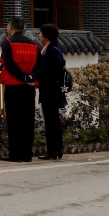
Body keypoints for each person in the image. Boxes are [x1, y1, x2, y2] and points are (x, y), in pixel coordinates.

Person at [0, 16, 39, 162]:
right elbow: (40, 65)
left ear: (10, 27)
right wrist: (31, 77)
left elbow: (8, 63)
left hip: (13, 86)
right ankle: (27, 153)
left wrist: (22, 77)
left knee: (14, 120)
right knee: (28, 120)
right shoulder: (34, 44)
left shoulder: (7, 42)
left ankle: (15, 153)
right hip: (29, 88)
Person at [34, 24, 67, 160]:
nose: (39, 35)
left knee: (50, 119)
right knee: (53, 119)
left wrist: (40, 77)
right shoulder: (53, 47)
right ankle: (57, 148)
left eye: (41, 33)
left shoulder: (51, 50)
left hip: (50, 89)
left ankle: (53, 149)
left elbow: (52, 68)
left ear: (47, 36)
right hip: (51, 88)